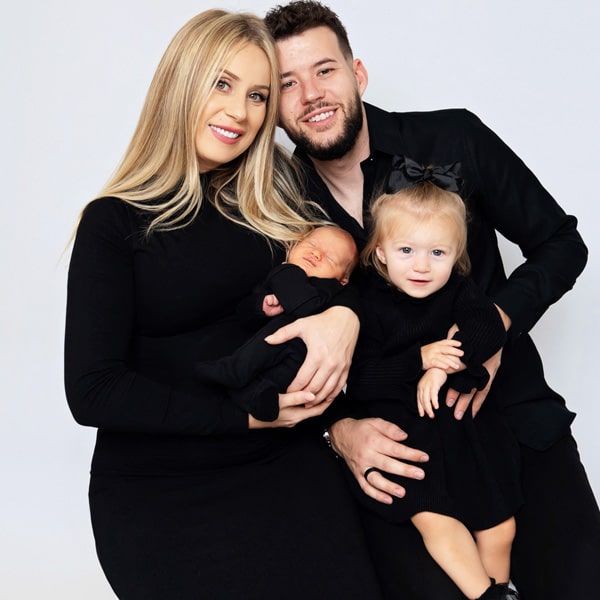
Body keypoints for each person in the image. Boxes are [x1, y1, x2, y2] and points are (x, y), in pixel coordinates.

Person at [263, 2, 600, 598]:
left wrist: (493, 326)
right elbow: (275, 346)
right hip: (396, 454)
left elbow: (561, 242)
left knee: (576, 581)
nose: (310, 93)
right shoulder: (273, 207)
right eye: (287, 83)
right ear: (273, 104)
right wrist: (340, 431)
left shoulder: (454, 138)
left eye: (324, 70)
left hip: (510, 420)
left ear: (357, 73)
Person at [64, 10, 383, 599]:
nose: (240, 111)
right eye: (222, 84)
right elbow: (92, 391)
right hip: (161, 495)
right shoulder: (113, 223)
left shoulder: (274, 198)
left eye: (259, 94)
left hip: (284, 468)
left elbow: (356, 266)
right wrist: (239, 417)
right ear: (180, 84)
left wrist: (345, 315)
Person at [347, 168, 521, 600]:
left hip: (465, 435)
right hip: (412, 437)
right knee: (437, 522)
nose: (422, 265)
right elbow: (358, 380)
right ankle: (488, 595)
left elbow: (489, 329)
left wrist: (443, 367)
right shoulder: (368, 303)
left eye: (438, 252)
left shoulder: (460, 292)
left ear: (457, 253)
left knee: (500, 528)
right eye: (406, 250)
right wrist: (419, 359)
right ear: (382, 252)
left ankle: (503, 589)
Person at [195, 224, 358, 421]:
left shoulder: (328, 288)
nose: (316, 254)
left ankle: (235, 372)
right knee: (257, 386)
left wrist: (287, 271)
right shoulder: (273, 277)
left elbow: (303, 306)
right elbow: (242, 316)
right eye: (312, 244)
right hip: (263, 355)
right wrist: (260, 307)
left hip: (300, 360)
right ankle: (253, 397)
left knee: (277, 354)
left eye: (330, 258)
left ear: (342, 281)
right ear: (293, 246)